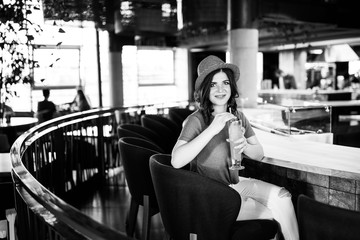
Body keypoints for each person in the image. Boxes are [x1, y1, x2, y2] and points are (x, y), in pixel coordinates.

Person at [171, 55, 299, 240]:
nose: (221, 89)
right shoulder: (196, 120)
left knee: (283, 198)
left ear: (232, 86)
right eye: (213, 84)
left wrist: (246, 146)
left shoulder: (237, 117)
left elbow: (259, 153)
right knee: (275, 215)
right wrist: (212, 129)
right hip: (208, 195)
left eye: (225, 83)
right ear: (205, 89)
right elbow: (176, 160)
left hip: (233, 185)